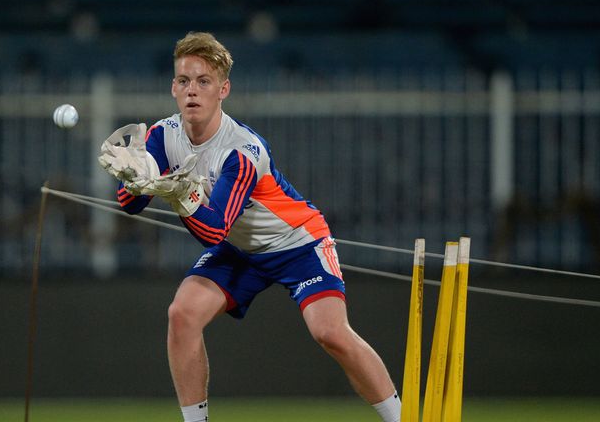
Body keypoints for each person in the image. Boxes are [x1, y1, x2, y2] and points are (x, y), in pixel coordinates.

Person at [98, 31, 401, 422]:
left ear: (223, 89)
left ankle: (401, 417)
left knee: (329, 332)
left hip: (297, 241)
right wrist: (132, 178)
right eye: (185, 81)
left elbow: (214, 231)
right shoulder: (163, 135)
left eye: (204, 82)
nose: (193, 91)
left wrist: (179, 197)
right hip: (242, 250)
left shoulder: (242, 151)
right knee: (182, 314)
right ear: (173, 86)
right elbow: (131, 205)